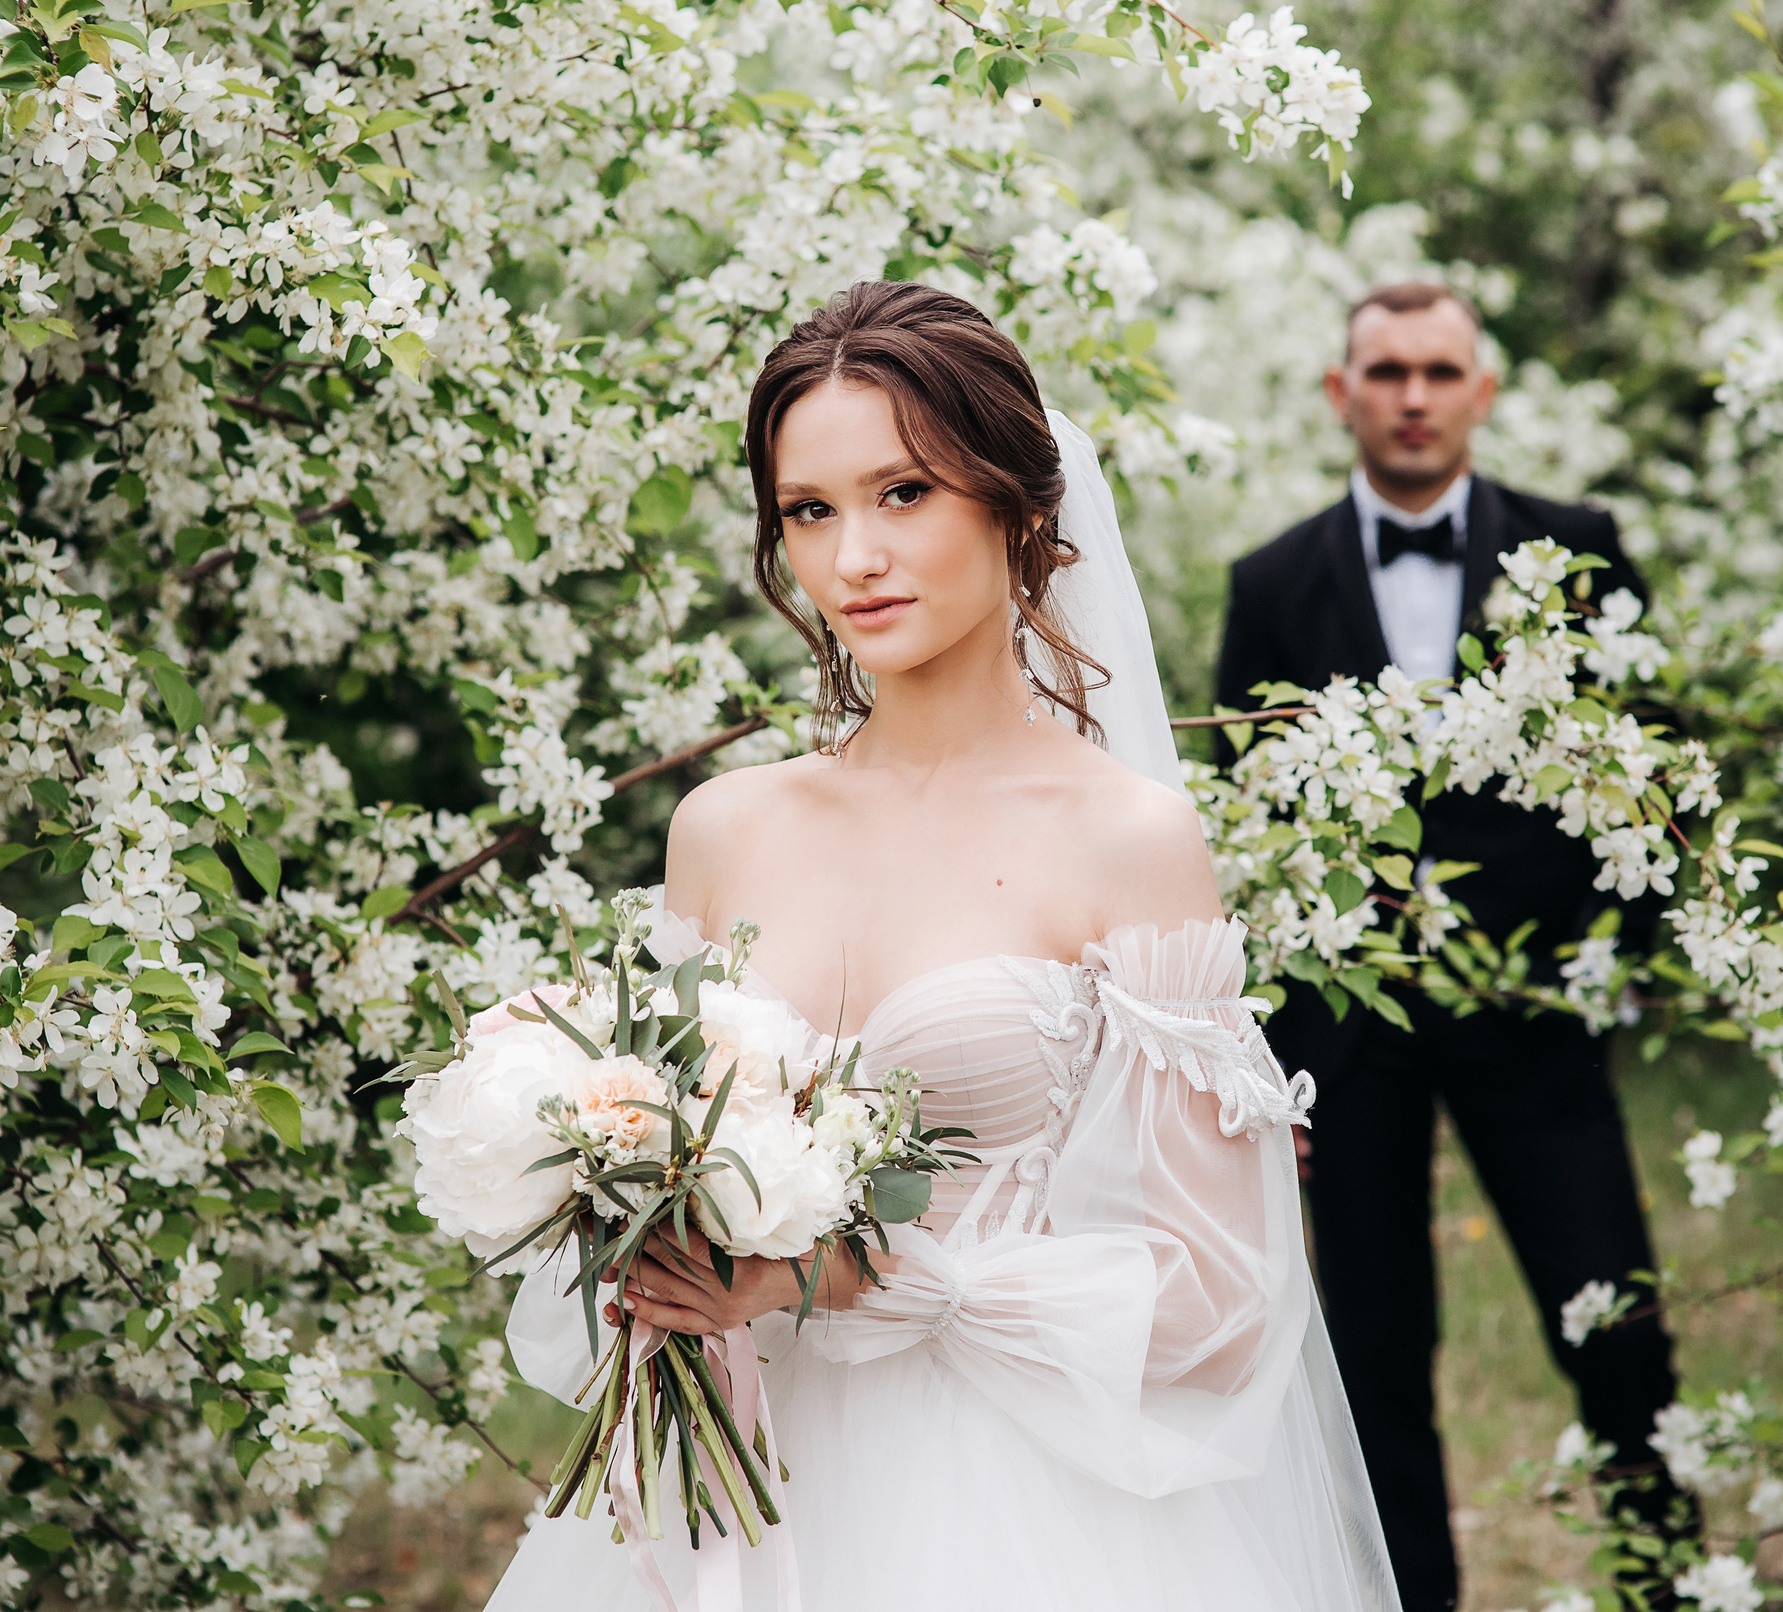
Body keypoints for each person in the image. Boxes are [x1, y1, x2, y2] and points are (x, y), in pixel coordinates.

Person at [484, 281, 1398, 1612]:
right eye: (811, 510)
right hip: (737, 1485)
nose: (855, 556)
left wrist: (838, 1276)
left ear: (1020, 506)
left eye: (903, 493)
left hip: (1024, 1504)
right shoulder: (723, 829)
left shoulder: (1126, 838)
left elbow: (1218, 1301)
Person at [1215, 282, 1687, 1612]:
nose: (1412, 397)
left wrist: (1612, 962)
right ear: (1340, 392)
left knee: (1617, 1328)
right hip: (1347, 1043)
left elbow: (1649, 766)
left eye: (1438, 371)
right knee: (1375, 1354)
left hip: (1535, 1020)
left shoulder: (1578, 547)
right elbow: (1240, 829)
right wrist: (1264, 1044)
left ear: (1481, 390)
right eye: (1387, 372)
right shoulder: (1273, 582)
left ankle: (1667, 1584)